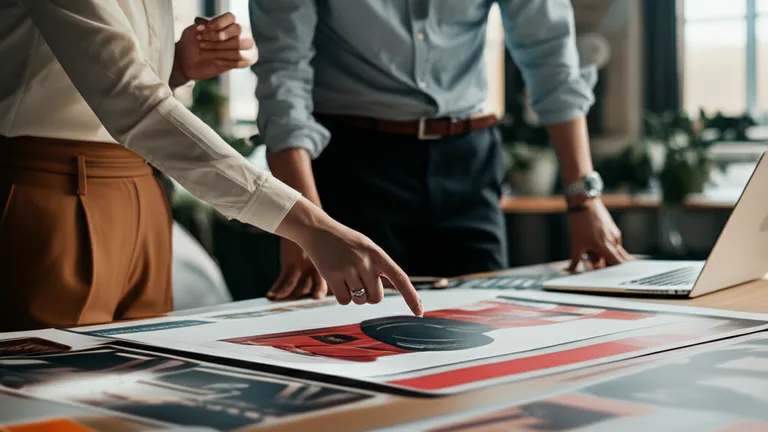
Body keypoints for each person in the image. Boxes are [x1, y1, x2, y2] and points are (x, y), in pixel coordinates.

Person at [0, 1, 422, 332]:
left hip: (142, 188)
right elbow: (132, 102)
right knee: (44, 399)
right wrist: (309, 225)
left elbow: (112, 86)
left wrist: (177, 68)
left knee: (140, 393)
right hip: (49, 194)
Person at [249, 0, 634, 301]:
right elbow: (283, 79)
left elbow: (551, 56)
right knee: (355, 344)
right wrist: (308, 226)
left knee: (486, 334)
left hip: (468, 162)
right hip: (353, 165)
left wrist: (584, 198)